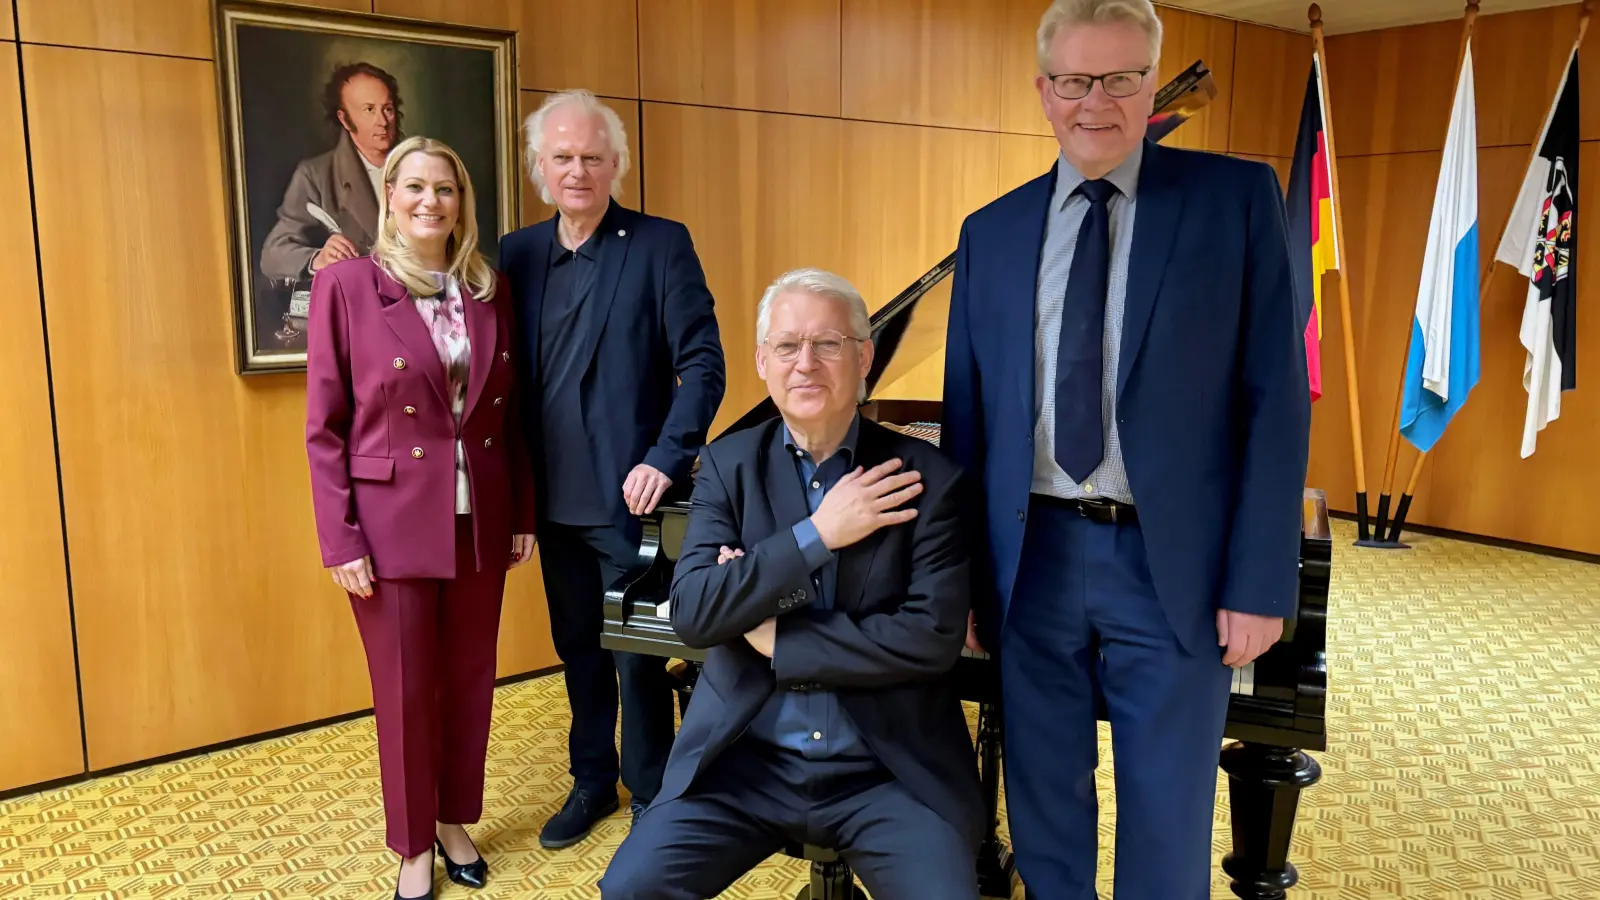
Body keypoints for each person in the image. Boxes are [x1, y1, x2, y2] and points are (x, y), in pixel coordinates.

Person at [940, 1, 1313, 898]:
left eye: (1120, 78)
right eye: (1074, 80)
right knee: (1044, 804)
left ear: (1154, 82)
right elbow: (968, 425)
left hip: (1170, 563)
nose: (1095, 101)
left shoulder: (1234, 201)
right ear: (1044, 89)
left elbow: (1275, 398)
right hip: (1030, 562)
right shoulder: (989, 232)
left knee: (1167, 809)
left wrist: (1261, 583)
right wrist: (960, 584)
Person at [598, 268, 985, 900]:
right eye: (786, 346)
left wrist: (778, 637)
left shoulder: (926, 476)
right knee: (630, 890)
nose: (805, 363)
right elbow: (695, 613)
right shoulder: (727, 465)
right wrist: (819, 534)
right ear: (762, 362)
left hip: (888, 771)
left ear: (864, 356)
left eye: (828, 344)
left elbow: (930, 638)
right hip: (745, 762)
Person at [305, 135, 537, 900]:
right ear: (389, 198)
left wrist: (520, 513)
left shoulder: (487, 288)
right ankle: (411, 843)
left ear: (461, 202)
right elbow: (325, 427)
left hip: (480, 515)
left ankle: (452, 819)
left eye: (446, 189)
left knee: (471, 679)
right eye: (414, 187)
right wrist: (340, 538)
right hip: (390, 522)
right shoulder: (349, 286)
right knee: (405, 689)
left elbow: (510, 417)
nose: (431, 201)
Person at [498, 89, 726, 847]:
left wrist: (666, 458)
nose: (578, 170)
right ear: (539, 168)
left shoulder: (661, 244)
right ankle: (591, 781)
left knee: (637, 657)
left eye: (593, 156)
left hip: (630, 495)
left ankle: (652, 796)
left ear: (617, 164)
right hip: (548, 497)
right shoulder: (518, 253)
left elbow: (704, 364)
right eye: (562, 157)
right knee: (579, 651)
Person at [262, 62, 402, 282]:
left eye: (388, 109)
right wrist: (319, 258)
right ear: (344, 118)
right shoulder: (316, 175)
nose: (382, 122)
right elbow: (274, 254)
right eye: (369, 110)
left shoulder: (421, 167)